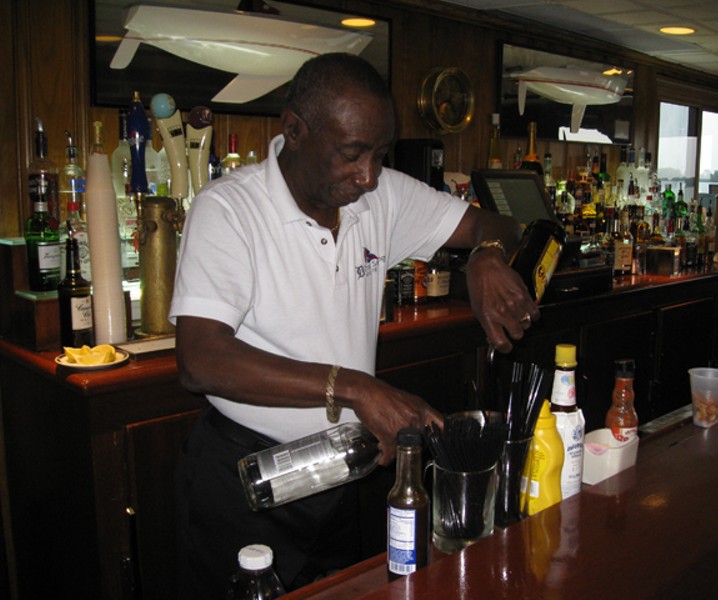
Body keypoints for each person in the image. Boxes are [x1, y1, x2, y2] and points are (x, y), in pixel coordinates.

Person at [170, 52, 537, 598]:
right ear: (294, 130)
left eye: (380, 154)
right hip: (250, 480)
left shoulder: (380, 195)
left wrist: (485, 254)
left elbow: (498, 221)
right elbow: (200, 360)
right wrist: (355, 388)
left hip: (344, 470)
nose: (368, 175)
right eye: (351, 154)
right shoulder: (229, 210)